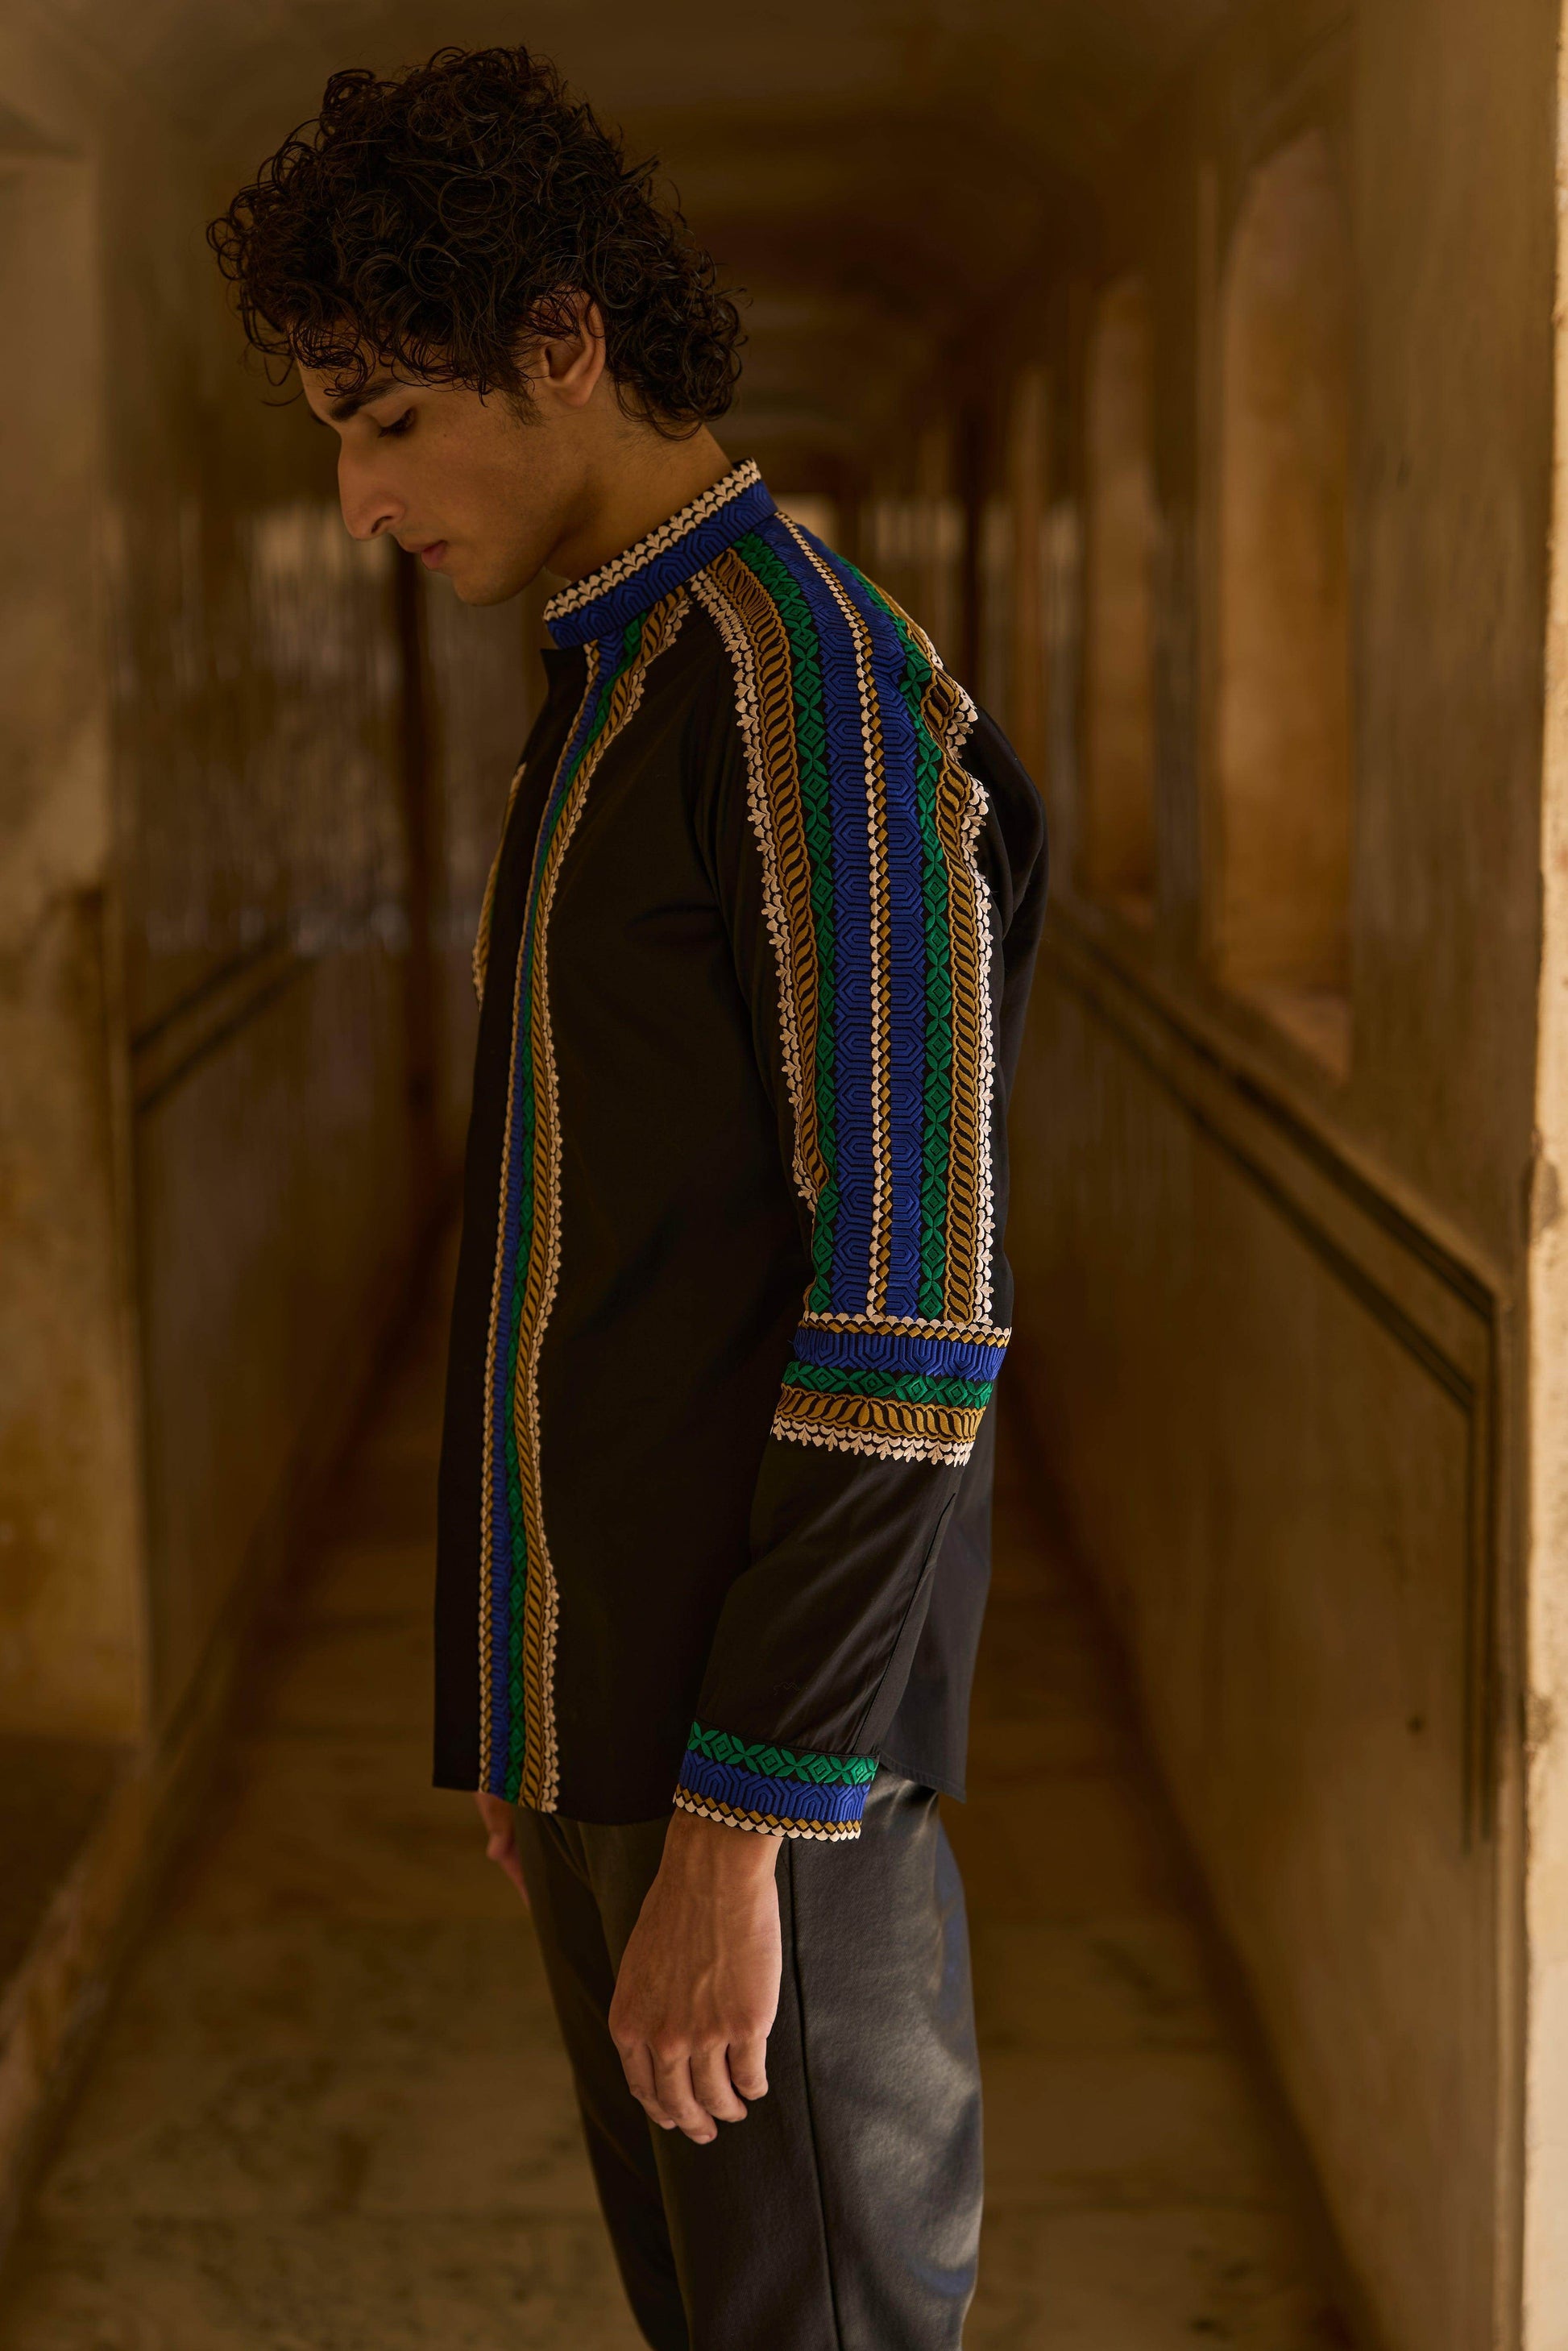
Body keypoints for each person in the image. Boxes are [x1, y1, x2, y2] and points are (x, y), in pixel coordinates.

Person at [209, 44, 1046, 2350]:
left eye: (390, 418)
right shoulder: (619, 687)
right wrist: (533, 1701)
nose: (359, 499)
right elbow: (597, 1255)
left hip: (764, 1766)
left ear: (563, 343)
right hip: (630, 1733)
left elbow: (913, 1311)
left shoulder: (807, 698)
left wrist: (733, 1833)